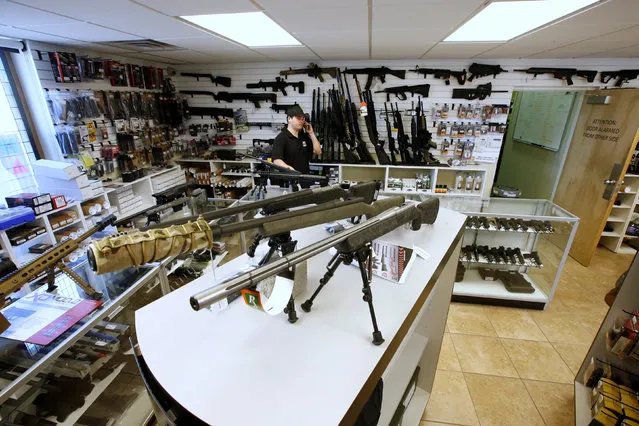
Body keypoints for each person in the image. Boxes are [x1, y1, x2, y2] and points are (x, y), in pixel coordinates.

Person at [272, 105, 321, 173]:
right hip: (289, 180)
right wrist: (289, 169)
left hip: (306, 180)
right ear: (289, 118)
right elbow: (276, 160)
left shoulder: (304, 137)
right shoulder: (281, 138)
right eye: (298, 118)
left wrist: (311, 133)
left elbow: (318, 151)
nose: (301, 121)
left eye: (303, 118)